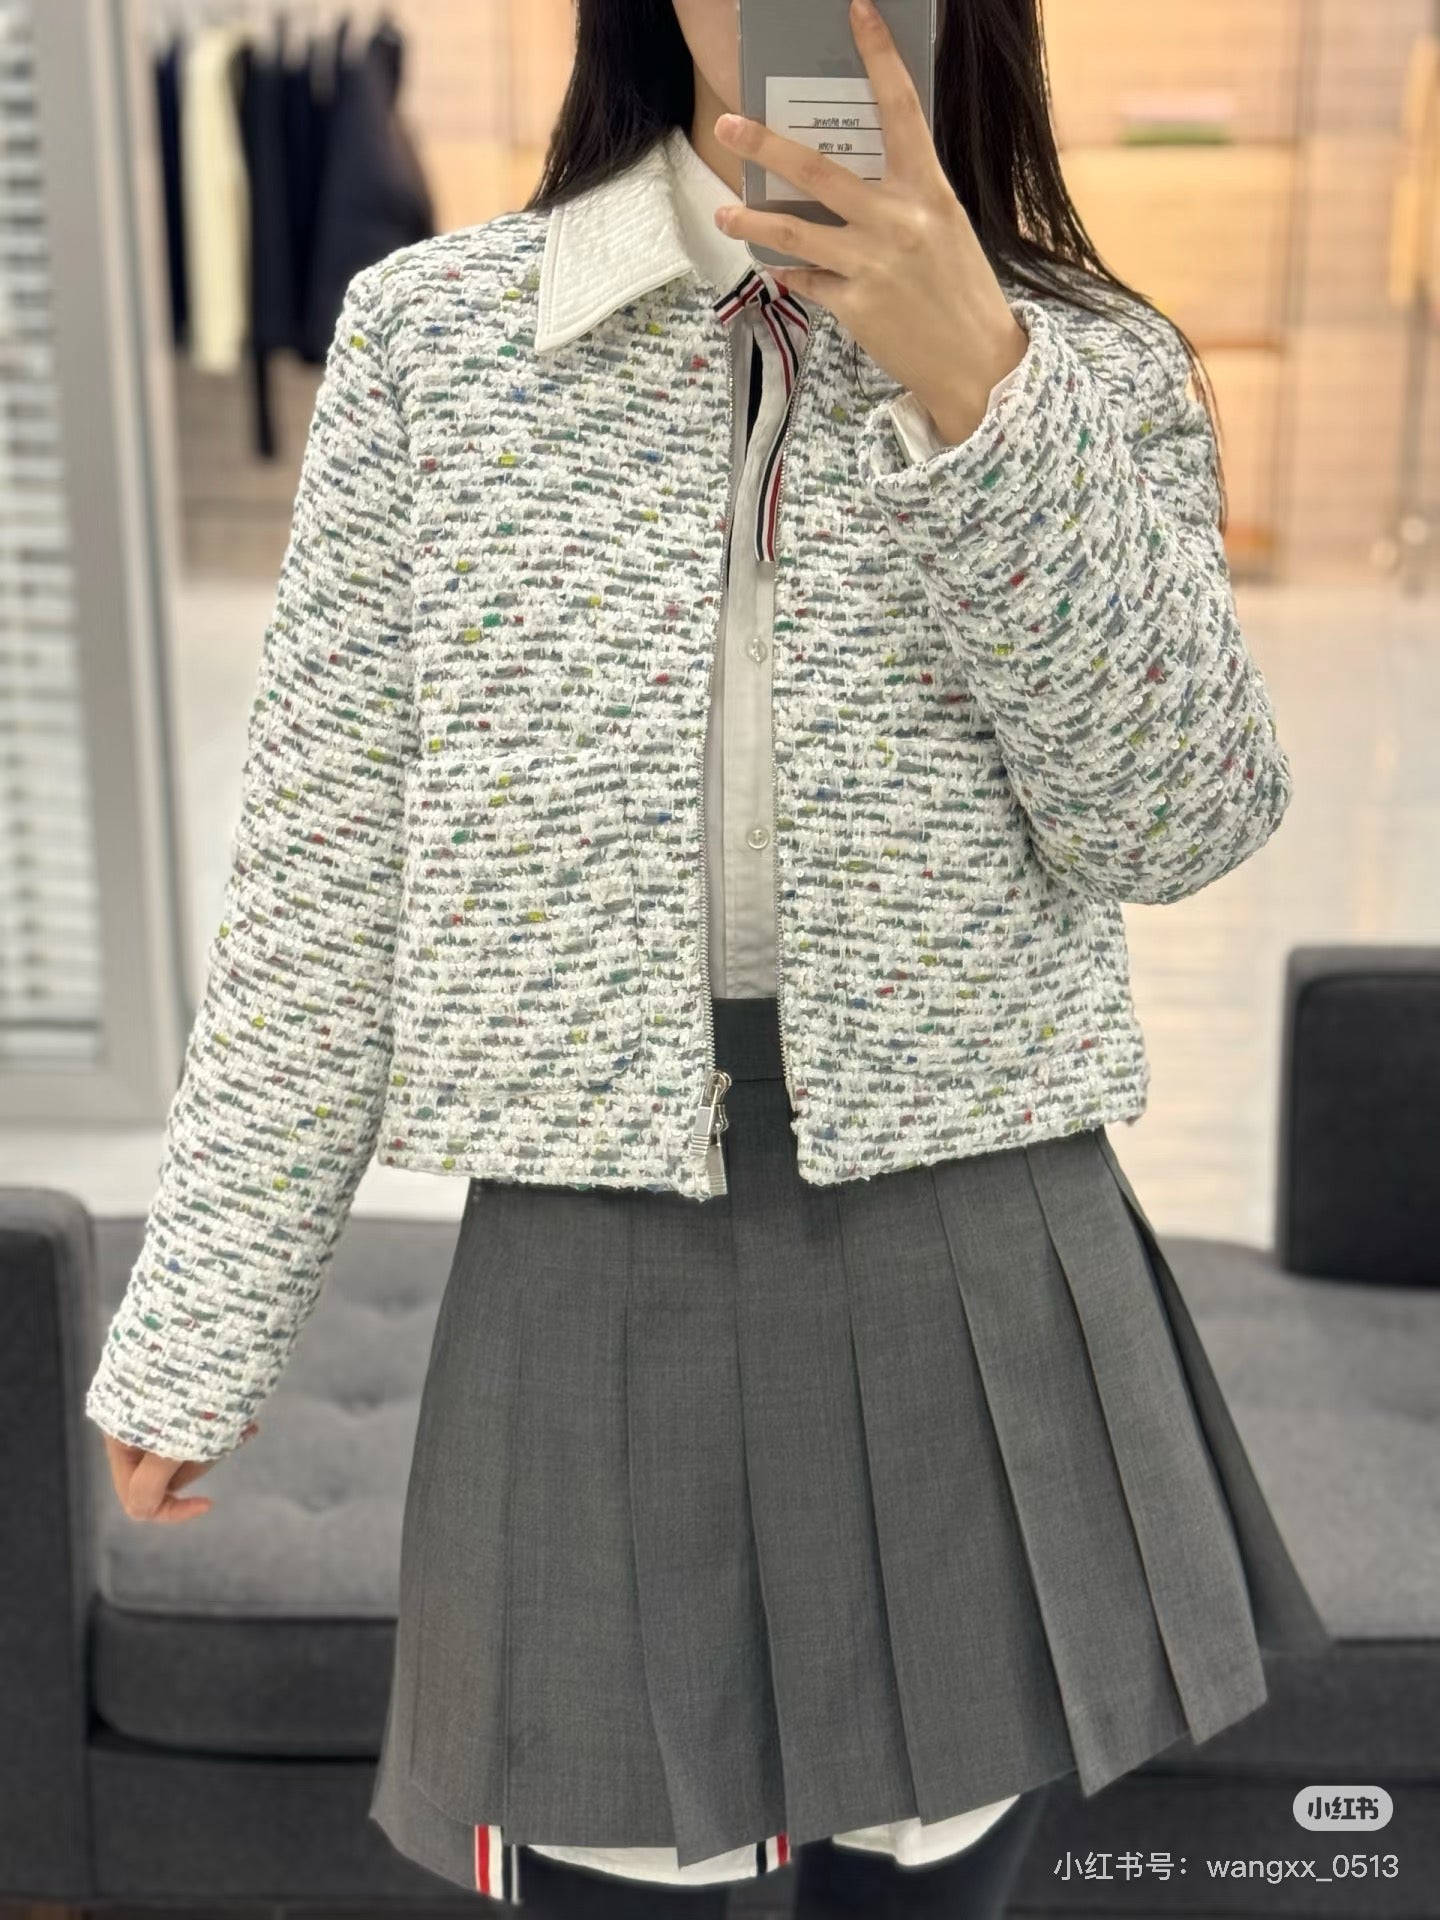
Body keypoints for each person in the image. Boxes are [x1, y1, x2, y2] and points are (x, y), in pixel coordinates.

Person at [85, 0, 1334, 1913]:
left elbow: (1181, 819)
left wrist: (982, 393)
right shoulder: (438, 345)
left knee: (935, 1881)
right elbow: (323, 875)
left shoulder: (1093, 363)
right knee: (607, 1866)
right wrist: (208, 1311)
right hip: (591, 1253)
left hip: (978, 1244)